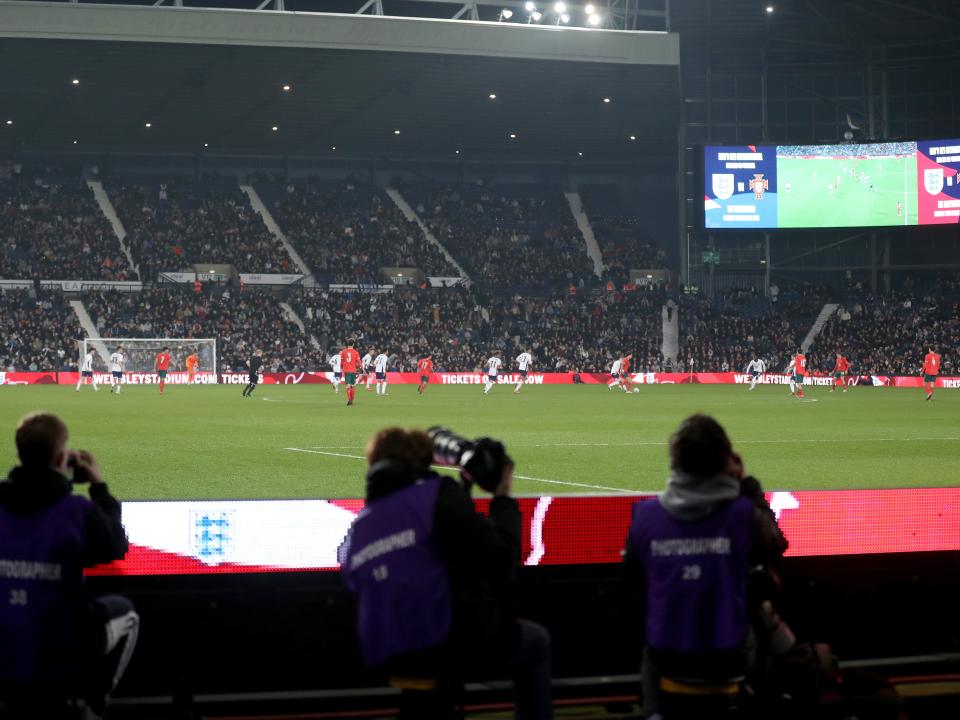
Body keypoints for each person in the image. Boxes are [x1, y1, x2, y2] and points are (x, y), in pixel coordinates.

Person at [339, 427, 552, 719]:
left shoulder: (356, 529)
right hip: (444, 640)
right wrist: (502, 496)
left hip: (382, 650)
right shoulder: (434, 496)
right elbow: (501, 557)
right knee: (536, 643)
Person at [624, 414, 789, 718]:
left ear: (675, 462)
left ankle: (654, 713)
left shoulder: (645, 516)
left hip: (668, 655)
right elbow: (777, 547)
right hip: (729, 659)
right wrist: (749, 488)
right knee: (763, 607)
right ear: (726, 461)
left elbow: (632, 585)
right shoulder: (744, 514)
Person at [0, 413, 138, 717]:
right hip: (59, 640)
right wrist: (99, 487)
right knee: (128, 615)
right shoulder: (76, 511)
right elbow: (116, 546)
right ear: (63, 457)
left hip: (5, 633)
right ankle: (93, 705)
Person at [340, 341, 361, 407]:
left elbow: (341, 362)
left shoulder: (343, 352)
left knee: (348, 385)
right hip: (353, 371)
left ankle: (349, 399)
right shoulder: (356, 352)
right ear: (353, 344)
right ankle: (352, 399)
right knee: (353, 385)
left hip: (347, 371)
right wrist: (361, 367)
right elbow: (359, 362)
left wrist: (342, 367)